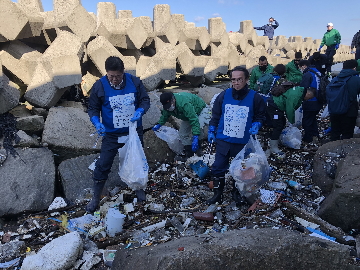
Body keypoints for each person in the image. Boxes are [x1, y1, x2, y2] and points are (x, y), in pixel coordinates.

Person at [87, 56, 150, 213]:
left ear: (123, 73)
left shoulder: (135, 82)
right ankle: (96, 197)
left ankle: (138, 189)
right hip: (111, 134)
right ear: (106, 73)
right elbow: (93, 108)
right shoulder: (99, 86)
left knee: (135, 161)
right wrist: (97, 122)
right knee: (103, 164)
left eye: (118, 76)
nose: (115, 80)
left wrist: (140, 111)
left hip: (133, 132)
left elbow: (145, 100)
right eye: (111, 76)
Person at [207, 66, 266, 205]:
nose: (236, 83)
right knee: (218, 167)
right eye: (233, 80)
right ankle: (218, 194)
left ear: (246, 79)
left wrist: (257, 124)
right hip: (224, 139)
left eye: (239, 79)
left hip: (243, 142)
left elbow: (261, 115)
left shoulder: (255, 98)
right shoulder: (223, 95)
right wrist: (211, 129)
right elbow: (215, 115)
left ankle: (236, 192)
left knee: (241, 169)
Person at [152, 92, 210, 157]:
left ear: (173, 99)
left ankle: (199, 148)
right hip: (187, 115)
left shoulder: (184, 104)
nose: (169, 107)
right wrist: (159, 124)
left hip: (200, 110)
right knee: (182, 134)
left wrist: (195, 136)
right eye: (167, 106)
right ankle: (189, 153)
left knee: (199, 128)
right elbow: (165, 115)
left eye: (169, 104)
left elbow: (194, 119)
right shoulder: (167, 107)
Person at [267, 84, 316, 156]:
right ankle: (273, 147)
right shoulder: (296, 95)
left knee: (282, 122)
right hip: (274, 105)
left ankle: (277, 139)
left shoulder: (300, 91)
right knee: (278, 125)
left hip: (278, 106)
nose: (308, 99)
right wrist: (291, 122)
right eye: (310, 97)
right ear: (308, 93)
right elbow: (289, 109)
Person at [328, 59, 360, 141]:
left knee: (335, 133)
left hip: (334, 110)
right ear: (354, 68)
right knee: (347, 134)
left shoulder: (335, 79)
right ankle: (344, 152)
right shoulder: (356, 80)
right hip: (349, 111)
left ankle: (332, 151)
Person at [298, 60, 323, 143]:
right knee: (312, 119)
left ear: (304, 66)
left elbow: (303, 88)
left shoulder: (308, 74)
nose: (301, 69)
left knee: (306, 121)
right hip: (319, 100)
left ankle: (308, 138)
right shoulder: (318, 72)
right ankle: (315, 135)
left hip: (310, 101)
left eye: (300, 67)